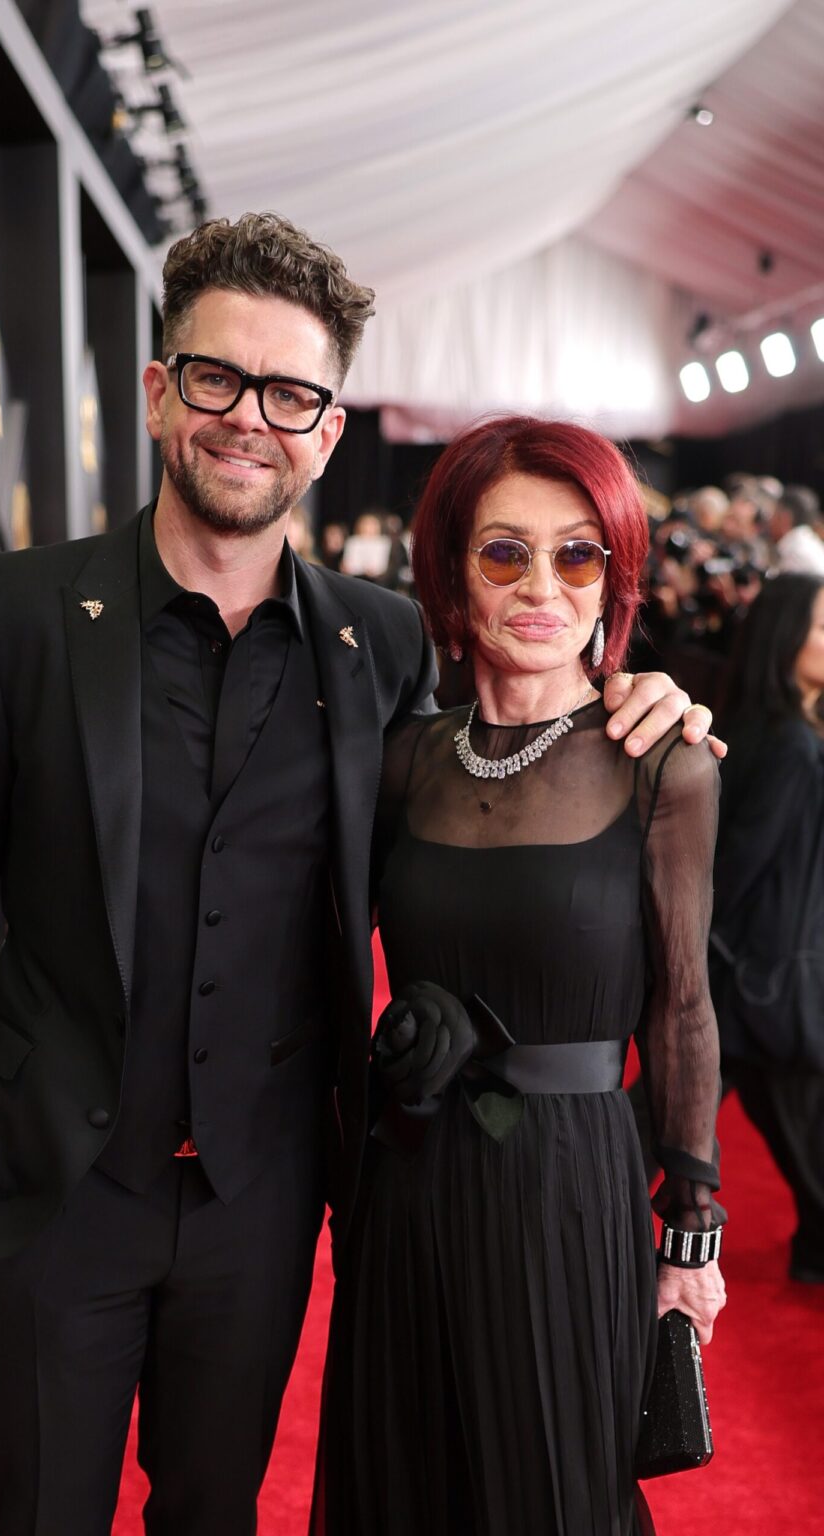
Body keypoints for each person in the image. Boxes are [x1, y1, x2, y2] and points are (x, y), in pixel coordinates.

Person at [0, 215, 719, 1536]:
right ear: (163, 392)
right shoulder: (22, 610)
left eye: (291, 394)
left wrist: (647, 693)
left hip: (263, 1195)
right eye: (217, 379)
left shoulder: (377, 642)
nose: (249, 420)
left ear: (329, 430)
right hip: (57, 1188)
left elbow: (506, 741)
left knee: (214, 1512)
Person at [314, 416, 726, 1536]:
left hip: (573, 1185)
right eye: (504, 553)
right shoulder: (402, 762)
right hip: (407, 1185)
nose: (541, 584)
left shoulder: (664, 764)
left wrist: (690, 1237)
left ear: (612, 578)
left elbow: (682, 1004)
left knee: (555, 1488)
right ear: (452, 578)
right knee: (406, 1483)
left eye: (576, 553)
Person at [710, 573, 824, 1284]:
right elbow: (737, 865)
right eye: (821, 628)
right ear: (787, 639)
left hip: (761, 974)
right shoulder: (789, 744)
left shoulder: (782, 727)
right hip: (770, 979)